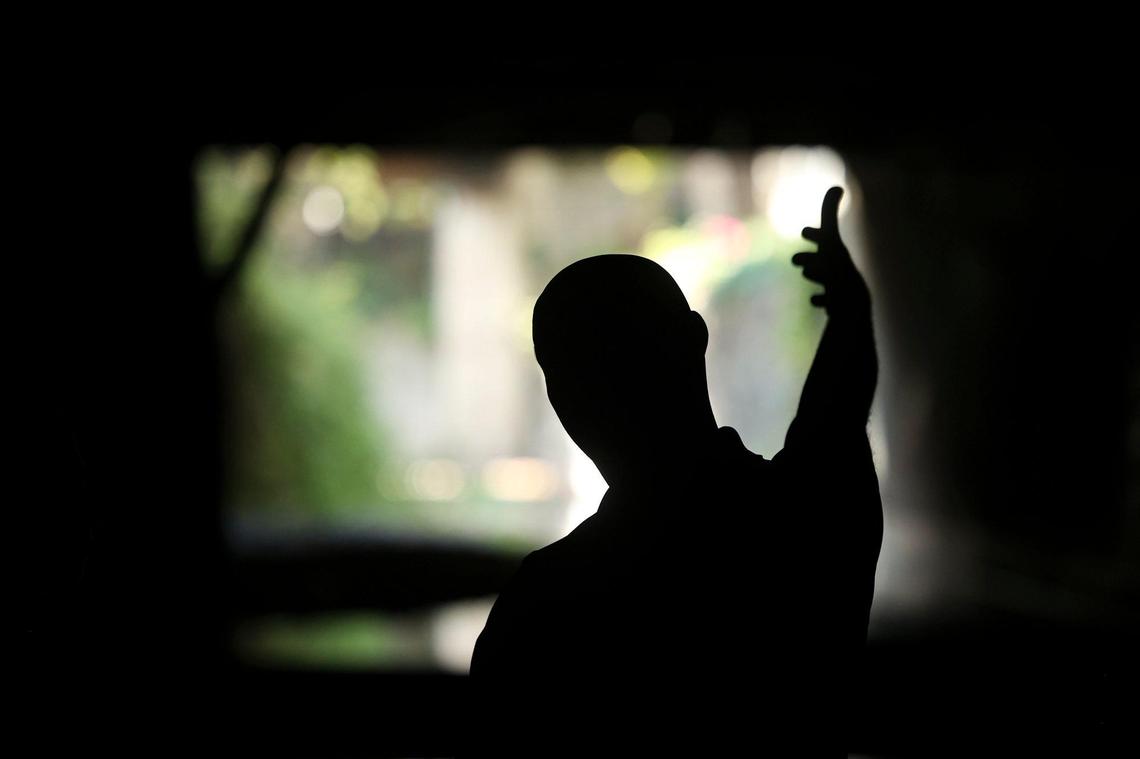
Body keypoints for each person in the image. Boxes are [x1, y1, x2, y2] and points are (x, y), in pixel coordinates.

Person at [468, 187, 882, 755]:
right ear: (694, 339)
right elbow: (836, 418)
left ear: (562, 396)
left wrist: (850, 319)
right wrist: (850, 313)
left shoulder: (544, 602)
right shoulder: (811, 522)